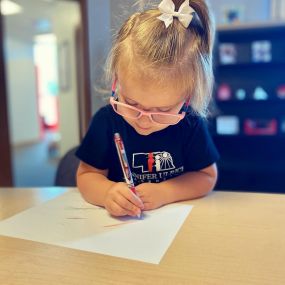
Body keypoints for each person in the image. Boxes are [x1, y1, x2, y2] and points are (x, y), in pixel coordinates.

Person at [76, 0, 219, 218]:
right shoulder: (106, 121)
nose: (144, 121)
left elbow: (206, 177)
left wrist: (166, 192)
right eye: (132, 104)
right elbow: (86, 175)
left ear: (186, 99)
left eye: (162, 110)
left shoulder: (190, 123)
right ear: (116, 82)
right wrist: (107, 193)